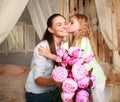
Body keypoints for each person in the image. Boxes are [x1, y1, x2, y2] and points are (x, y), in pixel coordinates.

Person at [39, 13, 107, 102]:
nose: (67, 25)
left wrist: (49, 55)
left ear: (80, 26)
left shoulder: (82, 39)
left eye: (71, 23)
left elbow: (72, 60)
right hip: (89, 78)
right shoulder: (76, 40)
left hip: (96, 78)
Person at [25, 13, 68, 102]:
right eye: (59, 24)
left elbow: (66, 63)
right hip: (37, 93)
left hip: (54, 89)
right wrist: (59, 81)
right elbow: (38, 80)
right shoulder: (42, 48)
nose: (64, 26)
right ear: (51, 29)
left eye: (65, 23)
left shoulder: (65, 46)